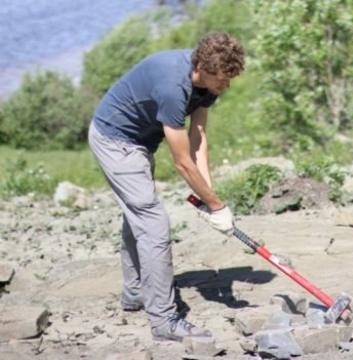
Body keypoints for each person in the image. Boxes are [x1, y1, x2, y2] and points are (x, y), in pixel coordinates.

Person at [88, 32, 244, 341]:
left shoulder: (206, 84)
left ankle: (135, 294)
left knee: (139, 219)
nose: (227, 86)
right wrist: (216, 205)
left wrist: (209, 199)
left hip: (140, 143)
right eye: (223, 80)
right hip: (115, 141)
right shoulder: (174, 86)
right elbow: (183, 162)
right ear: (202, 67)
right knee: (153, 223)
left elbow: (198, 139)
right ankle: (165, 322)